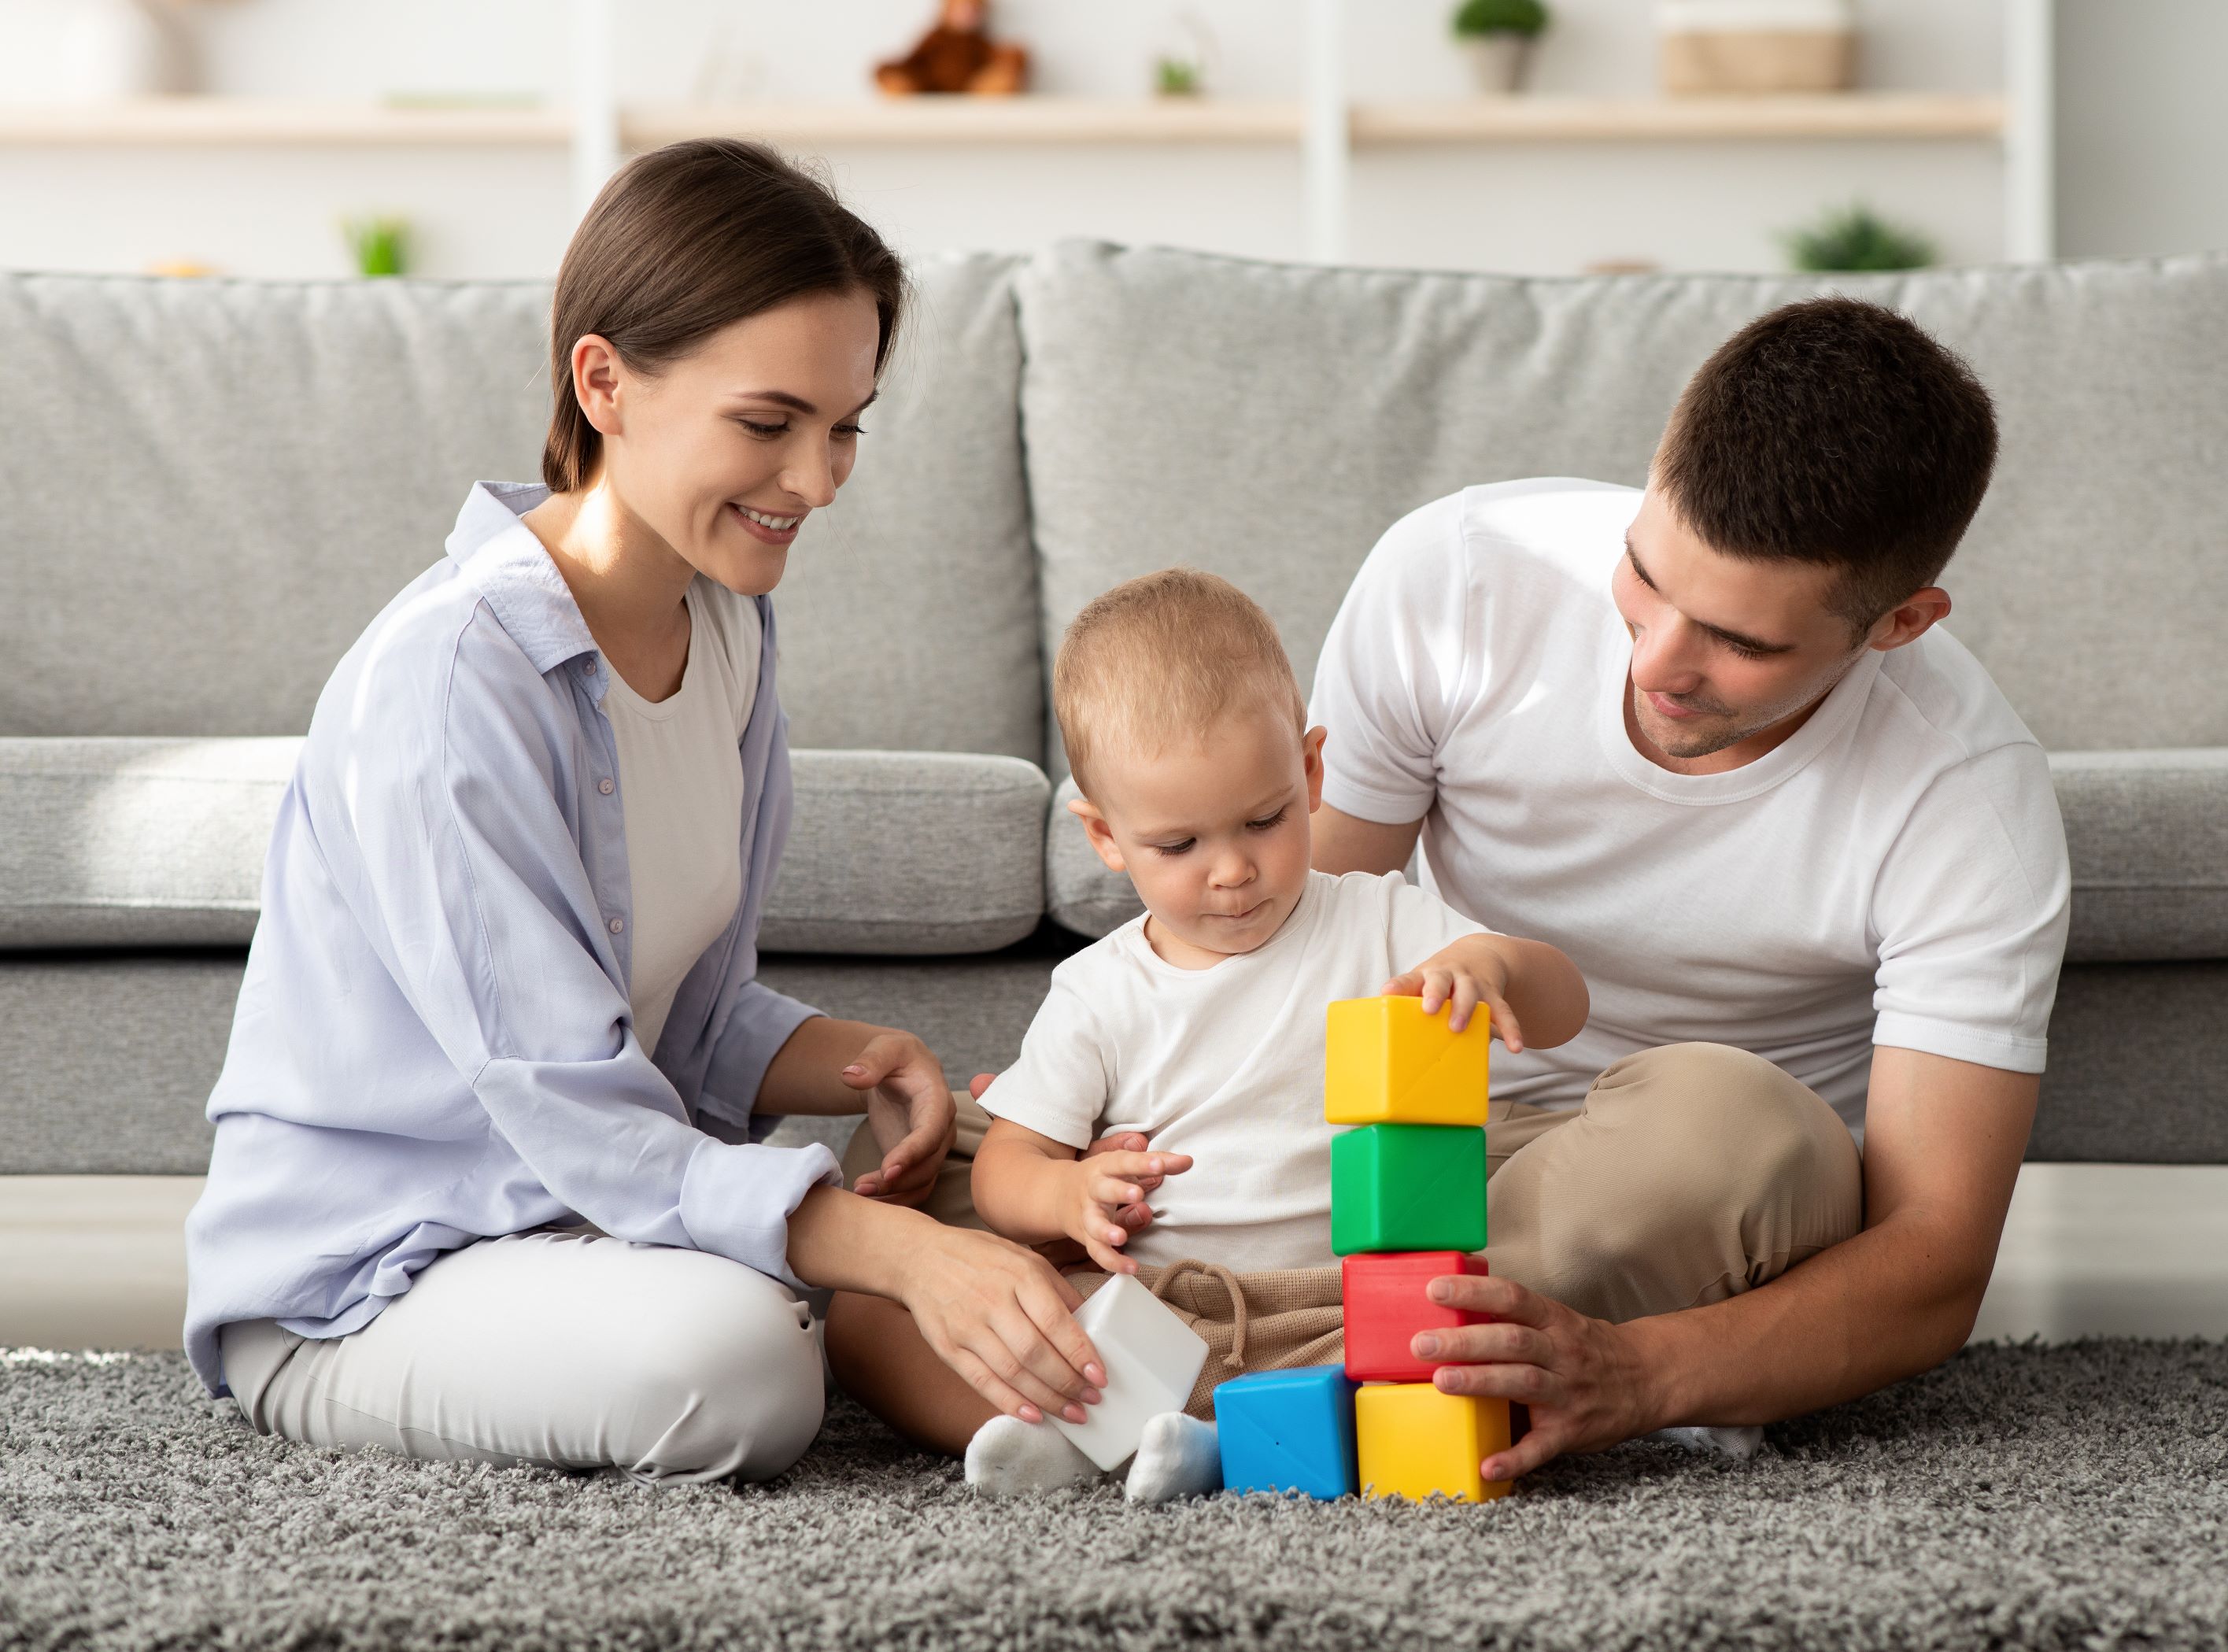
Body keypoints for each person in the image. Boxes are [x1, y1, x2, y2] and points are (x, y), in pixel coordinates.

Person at [181, 139, 1111, 1486]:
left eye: (844, 425)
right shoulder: (450, 679)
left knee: (1024, 1165)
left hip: (580, 1223)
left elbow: (676, 1005)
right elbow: (569, 1091)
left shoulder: (726, 623)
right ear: (604, 381)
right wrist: (896, 1249)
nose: (817, 479)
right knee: (740, 1366)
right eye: (767, 421)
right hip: (383, 1273)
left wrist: (859, 1052)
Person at [1306, 297, 2071, 1481]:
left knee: (1737, 1127)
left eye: (1739, 643)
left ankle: (1218, 1329)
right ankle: (1338, 1330)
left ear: (1901, 624)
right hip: (1420, 1129)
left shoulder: (1966, 800)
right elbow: (1299, 930)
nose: (1655, 660)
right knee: (986, 1150)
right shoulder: (1456, 574)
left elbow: (1935, 1261)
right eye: (1644, 576)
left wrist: (1648, 1371)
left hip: (1681, 1188)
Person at [826, 569, 1590, 1499]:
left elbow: (1564, 1005)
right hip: (1163, 1307)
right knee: (870, 1323)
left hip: (1346, 1304)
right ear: (1106, 836)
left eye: (1264, 820)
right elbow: (1006, 1165)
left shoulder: (1383, 920)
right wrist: (1068, 1193)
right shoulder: (1099, 988)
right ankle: (1152, 1431)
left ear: (1310, 773)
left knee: (1497, 1320)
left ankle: (1176, 1443)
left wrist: (1496, 972)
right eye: (1178, 845)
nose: (1231, 870)